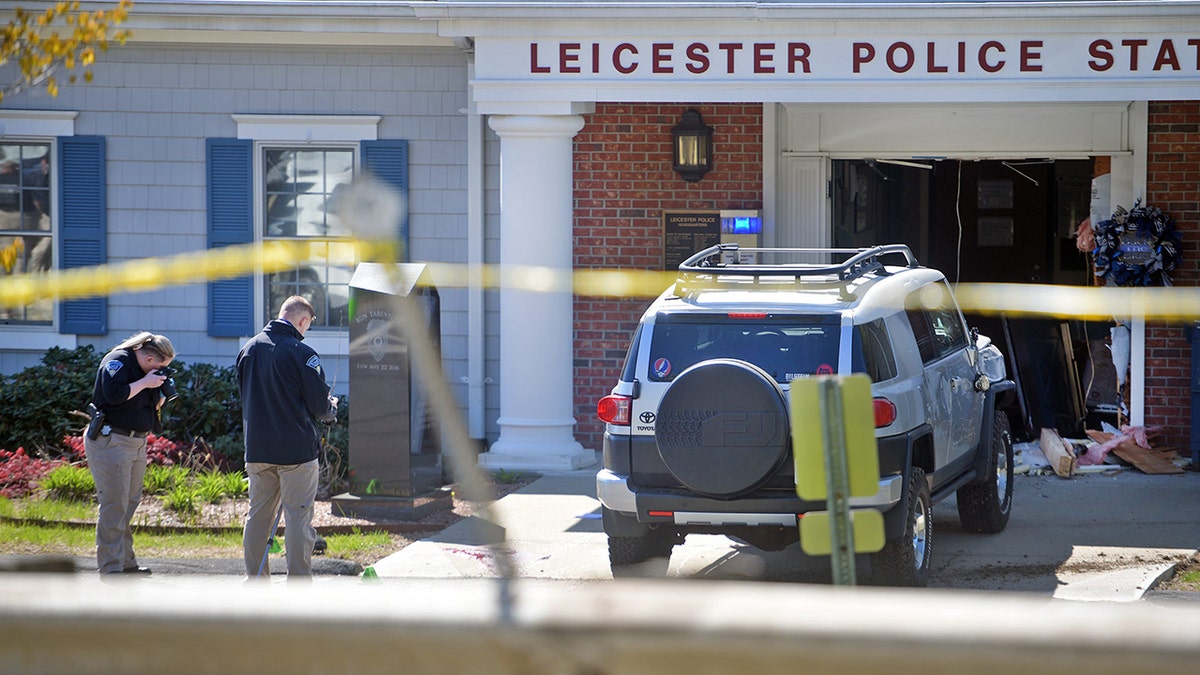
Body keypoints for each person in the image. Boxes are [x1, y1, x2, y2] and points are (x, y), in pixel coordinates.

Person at [237, 295, 337, 580]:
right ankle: (298, 584)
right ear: (303, 321)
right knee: (298, 518)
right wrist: (332, 409)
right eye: (308, 326)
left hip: (257, 448)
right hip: (296, 452)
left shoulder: (248, 349)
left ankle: (255, 580)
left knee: (257, 517)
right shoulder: (302, 353)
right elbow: (319, 406)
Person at [85, 332, 176, 576]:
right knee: (114, 504)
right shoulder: (118, 361)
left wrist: (160, 392)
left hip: (136, 442)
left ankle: (126, 562)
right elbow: (114, 396)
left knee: (129, 503)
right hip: (111, 440)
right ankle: (111, 567)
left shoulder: (146, 373)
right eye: (160, 366)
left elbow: (147, 407)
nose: (161, 371)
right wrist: (146, 383)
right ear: (148, 359)